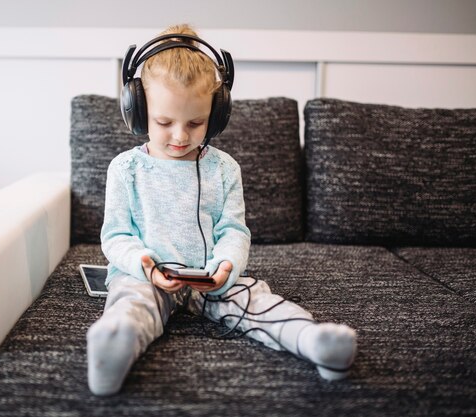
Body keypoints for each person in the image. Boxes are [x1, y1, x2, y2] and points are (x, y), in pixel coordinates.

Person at [86, 24, 357, 396]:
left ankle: (312, 341)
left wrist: (227, 266)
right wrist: (145, 264)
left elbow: (233, 230)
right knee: (131, 305)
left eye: (196, 123)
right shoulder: (126, 169)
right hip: (145, 277)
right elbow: (116, 236)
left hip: (210, 280)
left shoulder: (224, 169)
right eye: (164, 122)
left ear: (217, 116)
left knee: (257, 302)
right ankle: (111, 351)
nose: (180, 136)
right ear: (137, 111)